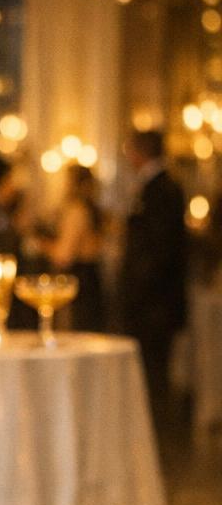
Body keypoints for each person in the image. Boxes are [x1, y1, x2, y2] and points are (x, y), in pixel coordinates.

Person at [119, 128, 188, 414]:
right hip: (151, 298)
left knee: (153, 369)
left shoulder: (162, 188)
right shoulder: (155, 186)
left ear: (140, 151)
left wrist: (137, 288)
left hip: (154, 301)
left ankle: (154, 428)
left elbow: (160, 248)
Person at [39, 162, 106, 332]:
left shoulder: (76, 210)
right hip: (92, 279)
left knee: (75, 335)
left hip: (78, 283)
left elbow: (64, 256)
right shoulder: (91, 209)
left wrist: (41, 245)